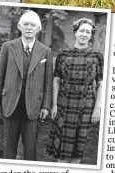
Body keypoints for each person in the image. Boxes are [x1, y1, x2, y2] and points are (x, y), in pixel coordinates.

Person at [0, 10, 53, 160]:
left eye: (33, 25)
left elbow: (48, 82)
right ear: (20, 27)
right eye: (26, 24)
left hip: (33, 107)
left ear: (38, 29)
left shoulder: (46, 51)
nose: (29, 28)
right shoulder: (8, 47)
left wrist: (45, 106)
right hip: (10, 105)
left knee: (30, 152)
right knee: (8, 150)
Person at [47, 18, 103, 163]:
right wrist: (54, 105)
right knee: (62, 145)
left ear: (91, 35)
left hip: (86, 104)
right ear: (75, 33)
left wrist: (97, 108)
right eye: (82, 31)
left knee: (79, 143)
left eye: (88, 32)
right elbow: (56, 79)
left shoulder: (97, 56)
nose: (85, 34)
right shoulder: (63, 54)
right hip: (65, 102)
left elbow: (100, 83)